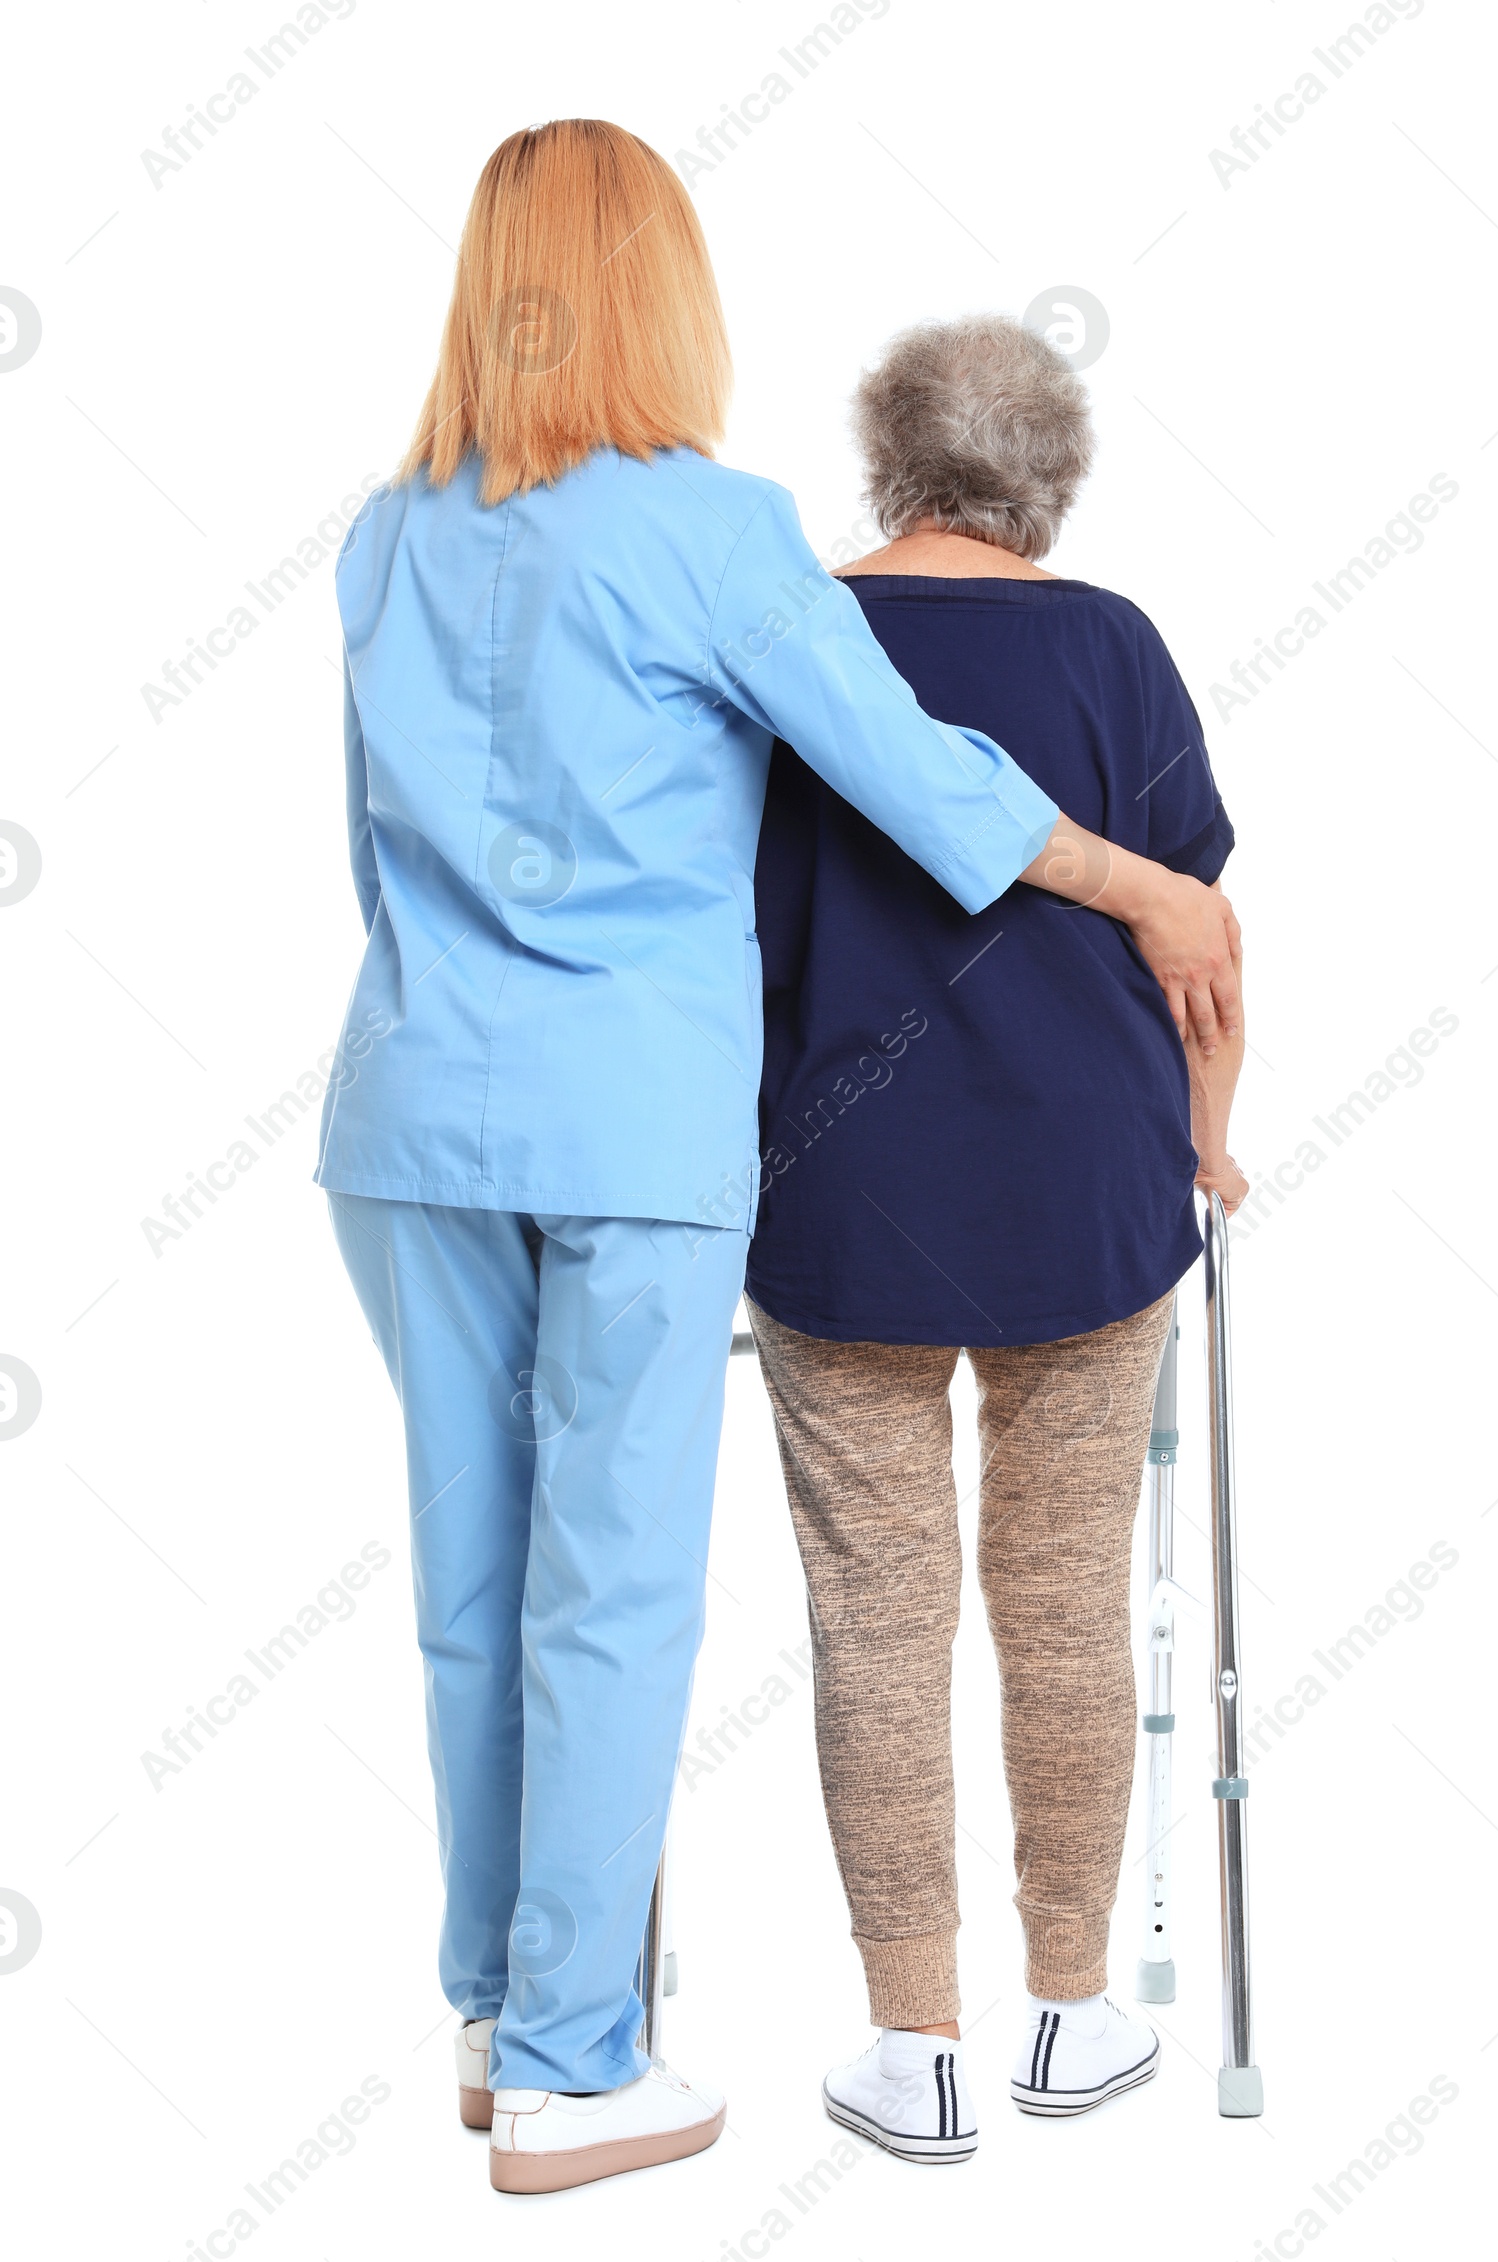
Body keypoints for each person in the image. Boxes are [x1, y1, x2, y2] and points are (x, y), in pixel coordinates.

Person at [316, 123, 1241, 2197]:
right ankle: (574, 2062)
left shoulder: (387, 535)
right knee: (611, 1595)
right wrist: (1151, 895)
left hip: (404, 1117)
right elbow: (925, 787)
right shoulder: (710, 528)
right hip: (628, 1126)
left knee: (477, 1593)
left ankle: (499, 2017)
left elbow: (369, 853)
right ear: (661, 289)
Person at [745, 314, 1248, 2163]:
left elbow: (731, 928)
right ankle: (1073, 2012)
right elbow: (1195, 927)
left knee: (874, 1622)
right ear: (1043, 481)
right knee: (1061, 1610)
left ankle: (915, 2048)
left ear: (888, 457)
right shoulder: (1107, 640)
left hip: (839, 1191)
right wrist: (1212, 1144)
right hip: (1087, 1197)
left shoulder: (785, 638)